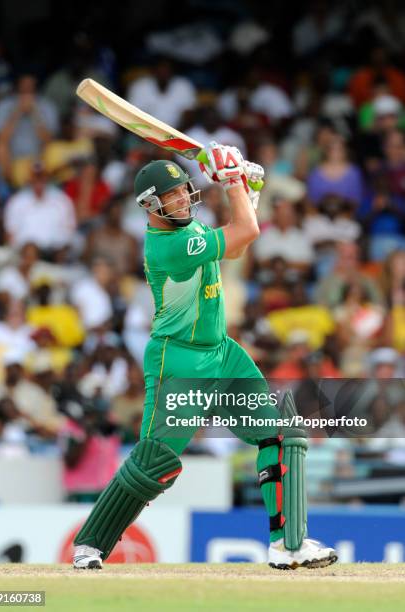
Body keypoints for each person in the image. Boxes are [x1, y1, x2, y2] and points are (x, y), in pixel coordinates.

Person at [72, 143, 337, 570]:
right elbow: (245, 234)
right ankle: (90, 545)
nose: (182, 200)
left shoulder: (191, 231)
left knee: (283, 436)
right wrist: (233, 180)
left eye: (183, 193)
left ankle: (288, 546)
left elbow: (233, 247)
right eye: (171, 197)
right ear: (149, 207)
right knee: (154, 461)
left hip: (223, 354)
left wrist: (246, 192)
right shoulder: (166, 247)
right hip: (179, 361)